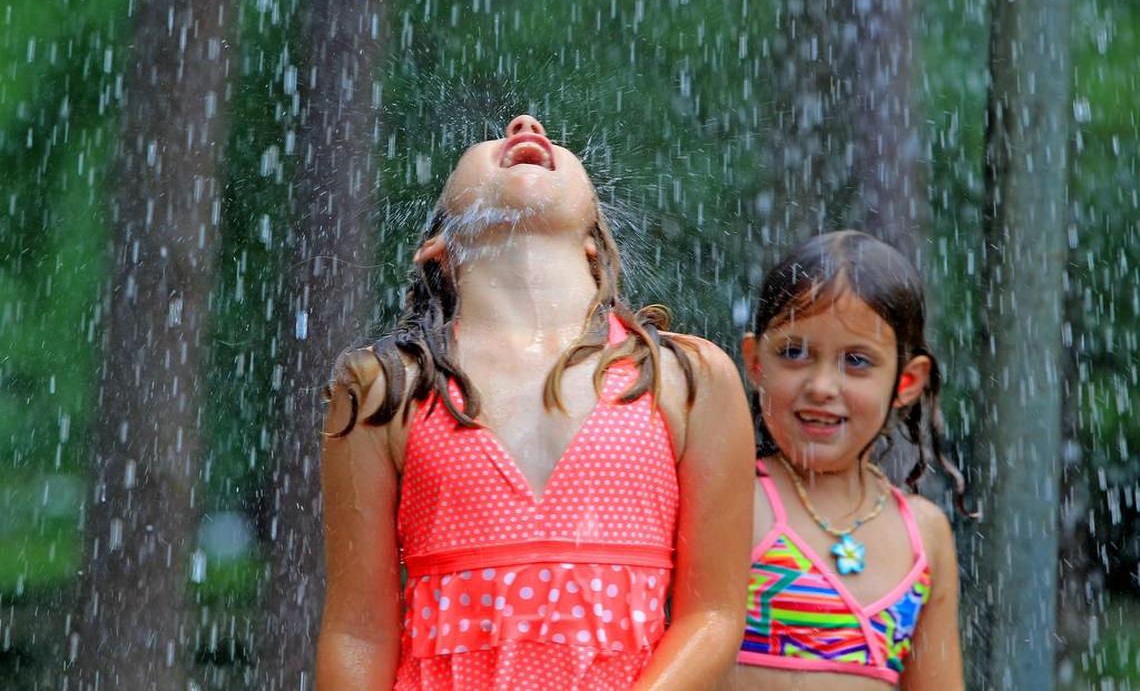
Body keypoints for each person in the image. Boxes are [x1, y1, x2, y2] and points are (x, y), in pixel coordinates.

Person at [315, 114, 754, 690]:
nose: (527, 124)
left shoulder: (685, 377)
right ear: (438, 249)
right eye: (495, 137)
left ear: (595, 244)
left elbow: (714, 615)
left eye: (552, 138)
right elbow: (358, 632)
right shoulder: (385, 388)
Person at [724, 231, 969, 691]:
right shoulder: (733, 499)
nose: (821, 386)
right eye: (793, 352)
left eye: (856, 361)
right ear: (755, 363)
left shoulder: (925, 534)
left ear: (907, 381)